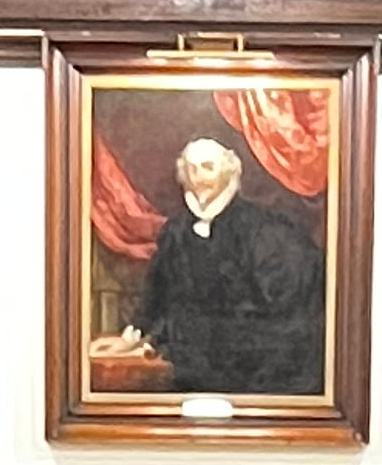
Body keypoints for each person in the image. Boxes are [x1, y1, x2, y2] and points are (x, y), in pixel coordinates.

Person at [124, 135, 323, 396]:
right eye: (192, 169)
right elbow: (157, 290)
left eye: (208, 167)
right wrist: (138, 330)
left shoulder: (264, 230)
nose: (199, 177)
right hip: (188, 367)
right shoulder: (175, 230)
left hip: (255, 370)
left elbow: (287, 307)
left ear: (228, 171)